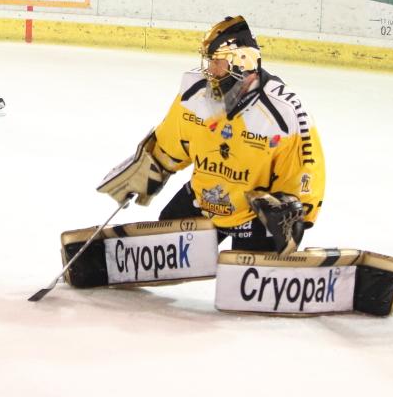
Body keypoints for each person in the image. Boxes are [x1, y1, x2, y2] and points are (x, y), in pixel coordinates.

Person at [97, 16, 325, 257]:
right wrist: (151, 167)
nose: (210, 70)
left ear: (241, 61)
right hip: (203, 200)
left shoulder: (283, 112)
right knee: (165, 233)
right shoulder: (194, 93)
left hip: (252, 216)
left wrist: (293, 210)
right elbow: (171, 143)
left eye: (217, 62)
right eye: (209, 62)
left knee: (244, 274)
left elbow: (306, 171)